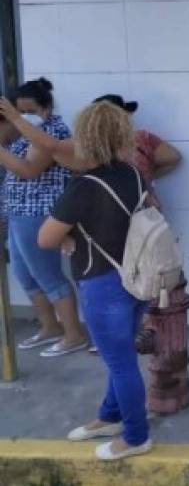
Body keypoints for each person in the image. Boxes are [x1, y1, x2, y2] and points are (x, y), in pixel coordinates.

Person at [38, 102, 153, 460]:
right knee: (120, 358)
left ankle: (136, 437)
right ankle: (110, 416)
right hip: (137, 279)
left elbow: (45, 238)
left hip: (103, 284)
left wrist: (70, 237)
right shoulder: (133, 173)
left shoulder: (84, 185)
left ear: (85, 137)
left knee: (121, 364)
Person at [0, 78, 88, 357]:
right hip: (17, 212)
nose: (22, 118)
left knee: (48, 276)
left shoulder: (53, 132)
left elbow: (29, 170)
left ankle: (74, 334)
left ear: (46, 107)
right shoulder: (22, 135)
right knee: (25, 276)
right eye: (18, 111)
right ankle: (50, 327)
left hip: (38, 213)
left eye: (28, 111)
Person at [0, 94, 182, 207]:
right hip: (148, 211)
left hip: (115, 216)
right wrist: (146, 176)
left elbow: (50, 146)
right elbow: (173, 157)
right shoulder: (142, 138)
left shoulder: (91, 145)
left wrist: (16, 118)